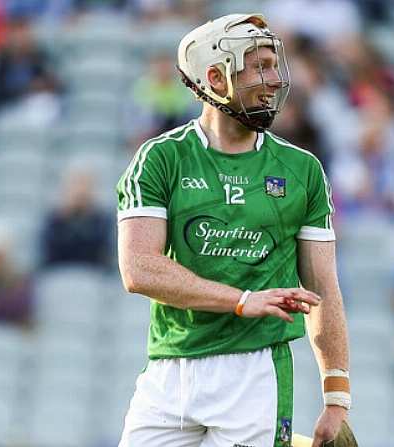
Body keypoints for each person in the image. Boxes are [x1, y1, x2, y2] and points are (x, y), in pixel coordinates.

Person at [115, 13, 351, 447]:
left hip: (255, 373)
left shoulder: (302, 170)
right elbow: (139, 270)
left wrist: (336, 396)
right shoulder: (160, 160)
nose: (275, 79)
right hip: (169, 371)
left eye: (274, 65)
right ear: (215, 77)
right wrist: (242, 301)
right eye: (259, 66)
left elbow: (323, 288)